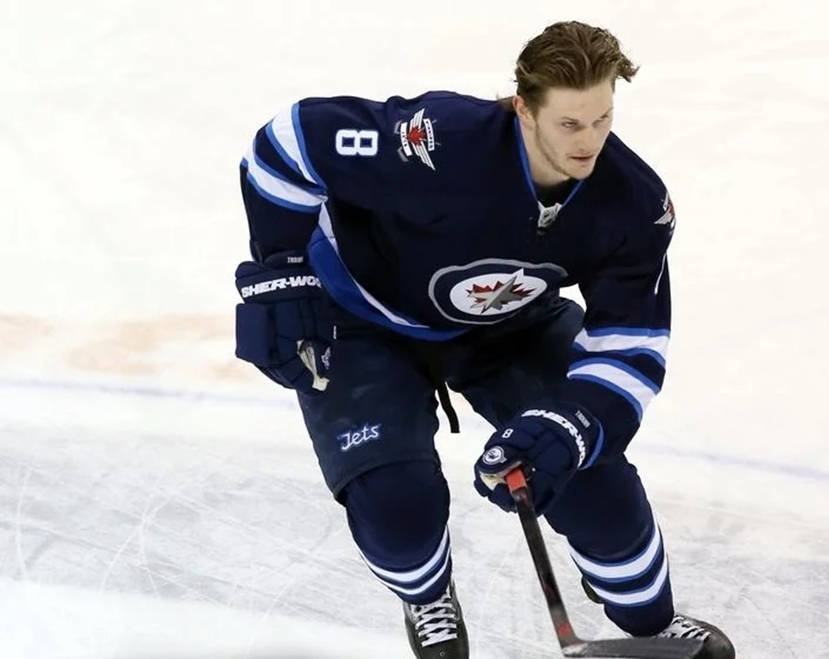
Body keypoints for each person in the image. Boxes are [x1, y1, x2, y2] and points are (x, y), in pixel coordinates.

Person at [233, 20, 734, 659]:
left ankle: (653, 621)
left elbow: (632, 347)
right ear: (523, 107)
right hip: (360, 316)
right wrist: (280, 269)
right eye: (569, 124)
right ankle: (427, 595)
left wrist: (571, 425)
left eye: (602, 119)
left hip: (507, 325)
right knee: (395, 507)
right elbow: (287, 146)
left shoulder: (631, 203)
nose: (589, 144)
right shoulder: (437, 145)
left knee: (597, 491)